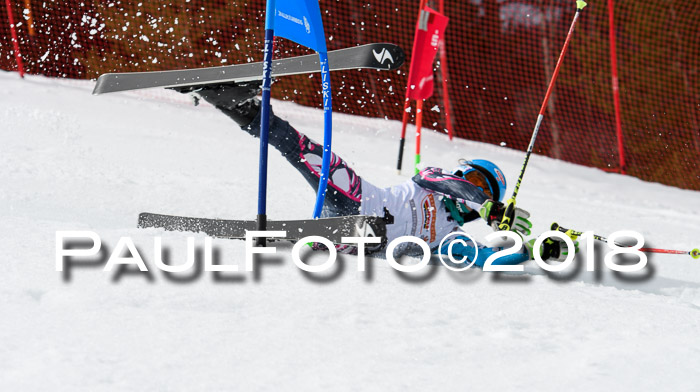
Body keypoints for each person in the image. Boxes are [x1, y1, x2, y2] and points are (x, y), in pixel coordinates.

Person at [176, 82, 575, 267]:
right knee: (310, 153)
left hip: (371, 242)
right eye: (473, 181)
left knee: (395, 243)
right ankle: (239, 105)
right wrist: (488, 203)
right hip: (359, 199)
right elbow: (444, 183)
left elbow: (487, 256)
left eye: (482, 190)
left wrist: (532, 249)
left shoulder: (454, 239)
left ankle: (330, 241)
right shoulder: (436, 180)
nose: (473, 191)